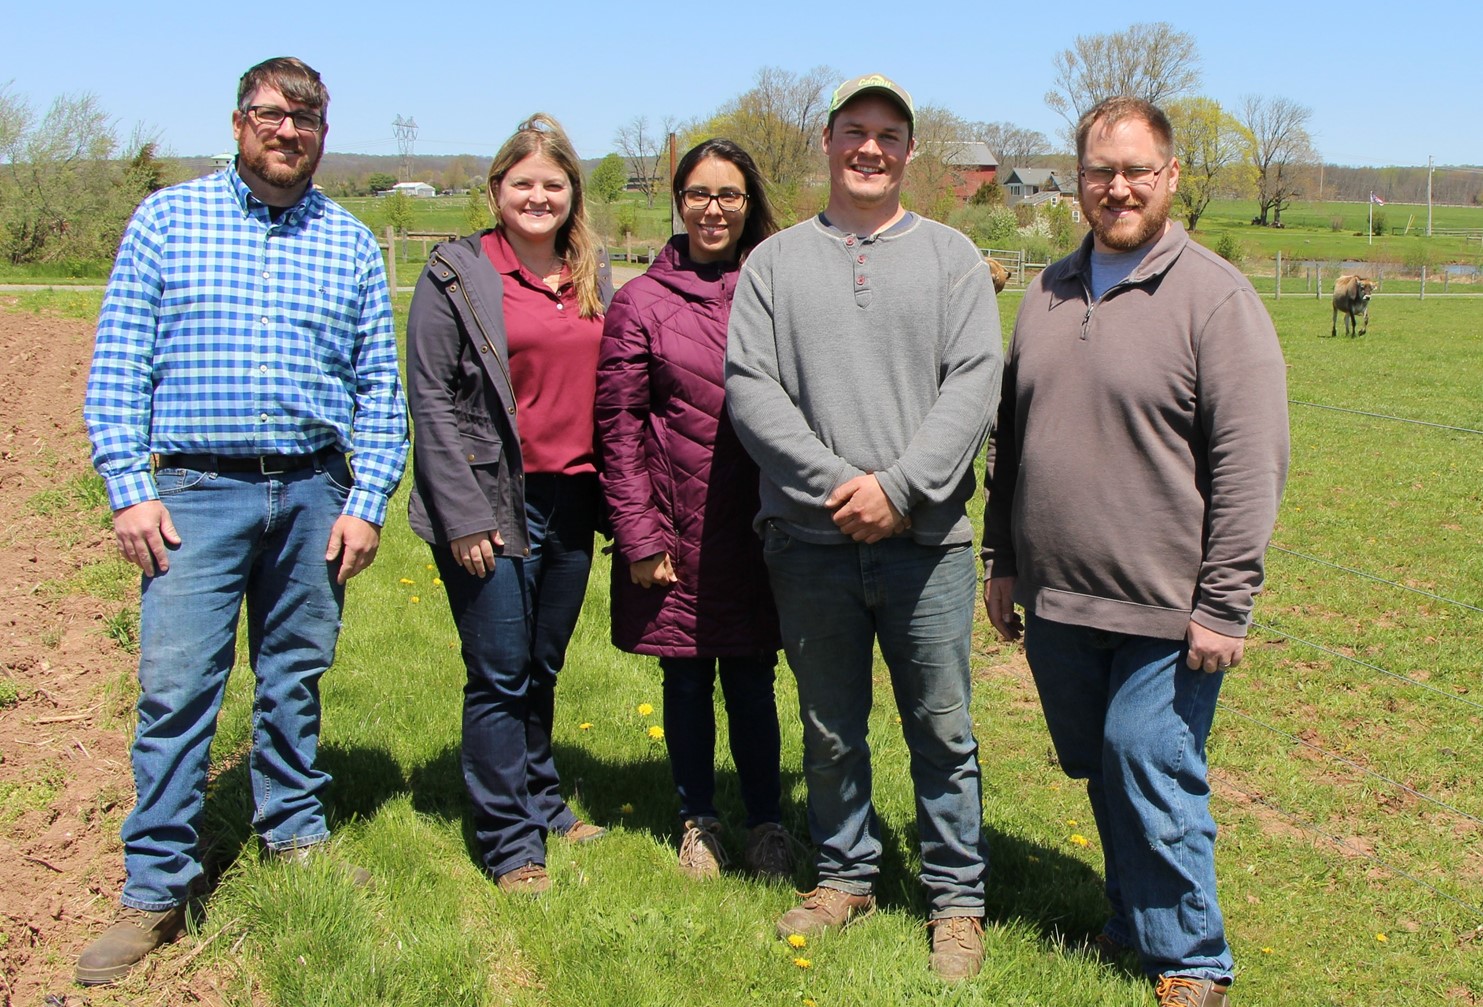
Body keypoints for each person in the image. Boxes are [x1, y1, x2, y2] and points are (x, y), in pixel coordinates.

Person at [77, 57, 408, 985]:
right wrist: (126, 488)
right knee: (177, 692)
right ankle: (154, 887)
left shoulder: (346, 242)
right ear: (237, 122)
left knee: (294, 679)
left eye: (306, 118)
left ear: (322, 133)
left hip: (311, 493)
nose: (288, 130)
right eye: (272, 114)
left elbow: (380, 392)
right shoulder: (167, 221)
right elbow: (117, 371)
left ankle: (292, 834)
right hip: (192, 493)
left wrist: (366, 500)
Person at [981, 96, 1289, 1007]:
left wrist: (1224, 603)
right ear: (1077, 177)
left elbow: (1251, 461)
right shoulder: (1046, 290)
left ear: (1169, 178)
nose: (1116, 187)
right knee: (1099, 761)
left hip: (1167, 601)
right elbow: (1011, 437)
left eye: (1135, 171)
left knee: (1146, 758)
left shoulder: (1214, 299)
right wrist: (1000, 556)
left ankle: (1193, 959)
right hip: (1060, 598)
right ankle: (1130, 915)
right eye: (1098, 171)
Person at [725, 74, 1002, 980]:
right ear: (827, 140)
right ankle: (845, 873)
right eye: (855, 132)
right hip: (808, 542)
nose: (870, 149)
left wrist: (903, 489)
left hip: (927, 548)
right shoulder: (773, 265)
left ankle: (956, 899)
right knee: (831, 724)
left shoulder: (954, 257)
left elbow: (973, 384)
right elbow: (751, 392)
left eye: (888, 135)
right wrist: (843, 484)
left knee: (942, 726)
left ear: (909, 151)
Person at [406, 113, 612, 896]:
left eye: (552, 184)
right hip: (491, 497)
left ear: (571, 194)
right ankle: (509, 841)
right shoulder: (458, 273)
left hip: (571, 498)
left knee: (540, 662)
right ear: (495, 190)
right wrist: (462, 514)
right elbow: (430, 398)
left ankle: (542, 802)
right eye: (522, 182)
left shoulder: (590, 274)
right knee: (496, 669)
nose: (537, 196)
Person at [596, 139, 789, 882]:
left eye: (729, 195)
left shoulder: (772, 289)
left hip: (758, 523)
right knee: (684, 677)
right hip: (675, 527)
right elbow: (617, 428)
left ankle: (767, 820)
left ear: (749, 205)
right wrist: (639, 534)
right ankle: (698, 819)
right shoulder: (639, 302)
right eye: (699, 194)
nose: (713, 209)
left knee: (752, 678)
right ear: (678, 202)